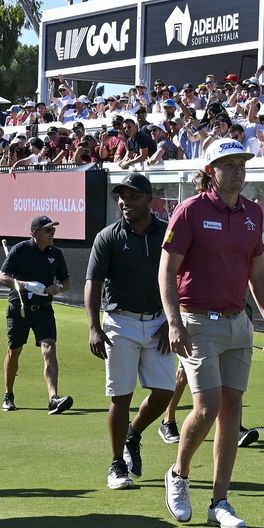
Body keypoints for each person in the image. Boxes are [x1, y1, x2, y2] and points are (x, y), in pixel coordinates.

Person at [160, 137, 264, 528]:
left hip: (237, 323)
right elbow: (166, 270)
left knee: (232, 411)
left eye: (241, 164)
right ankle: (179, 474)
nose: (238, 171)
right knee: (208, 407)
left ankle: (220, 501)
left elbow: (258, 272)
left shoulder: (252, 212)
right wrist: (174, 320)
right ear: (211, 170)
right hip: (196, 321)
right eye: (229, 165)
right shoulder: (190, 211)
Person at [86, 173, 175, 489]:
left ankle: (133, 434)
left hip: (159, 324)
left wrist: (171, 320)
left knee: (165, 392)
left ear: (149, 200)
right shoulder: (108, 237)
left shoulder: (168, 234)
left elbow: (181, 278)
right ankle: (116, 466)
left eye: (133, 196)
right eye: (121, 197)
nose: (125, 202)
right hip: (119, 323)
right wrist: (94, 327)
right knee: (120, 397)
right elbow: (93, 283)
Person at [0, 215, 73, 415]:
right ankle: (8, 394)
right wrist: (26, 285)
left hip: (44, 309)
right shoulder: (20, 250)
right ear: (34, 233)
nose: (52, 233)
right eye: (48, 230)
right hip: (19, 308)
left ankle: (53, 398)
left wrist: (57, 287)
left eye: (53, 230)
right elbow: (2, 277)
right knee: (14, 351)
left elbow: (66, 281)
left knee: (49, 349)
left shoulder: (56, 253)